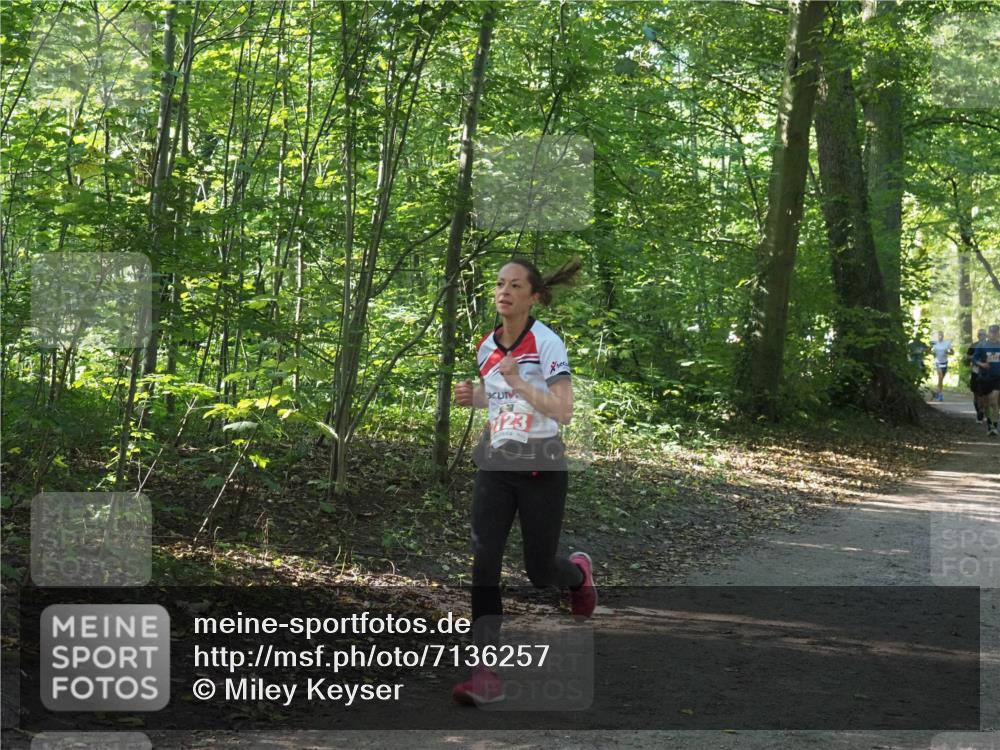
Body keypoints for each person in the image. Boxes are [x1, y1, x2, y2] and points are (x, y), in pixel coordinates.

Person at [451, 256, 596, 706]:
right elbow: (497, 398)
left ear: (534, 297)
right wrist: (473, 397)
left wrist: (517, 380)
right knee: (484, 560)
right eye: (499, 284)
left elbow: (563, 410)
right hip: (496, 465)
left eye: (515, 286)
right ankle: (485, 674)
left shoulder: (547, 343)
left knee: (538, 571)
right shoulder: (485, 346)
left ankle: (577, 577)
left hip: (542, 468)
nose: (504, 292)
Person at [972, 324, 1000, 437]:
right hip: (984, 378)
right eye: (991, 332)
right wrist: (982, 364)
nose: (993, 334)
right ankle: (989, 425)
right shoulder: (982, 345)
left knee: (994, 400)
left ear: (998, 333)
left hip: (998, 377)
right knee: (986, 403)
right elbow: (974, 359)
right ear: (989, 333)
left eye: (995, 332)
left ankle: (995, 426)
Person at [966, 329, 988, 423]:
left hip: (987, 373)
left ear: (986, 336)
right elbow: (967, 357)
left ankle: (983, 412)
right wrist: (974, 358)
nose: (981, 336)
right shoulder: (973, 345)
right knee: (976, 394)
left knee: (986, 394)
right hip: (975, 372)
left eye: (983, 334)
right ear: (977, 336)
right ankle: (979, 413)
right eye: (979, 334)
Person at [930, 331, 953, 402]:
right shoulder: (934, 343)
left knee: (941, 379)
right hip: (937, 362)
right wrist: (933, 353)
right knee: (940, 377)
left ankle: (938, 392)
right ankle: (940, 395)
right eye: (939, 335)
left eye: (942, 335)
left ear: (943, 336)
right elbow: (928, 350)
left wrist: (948, 352)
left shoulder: (947, 343)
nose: (940, 336)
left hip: (945, 362)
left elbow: (952, 352)